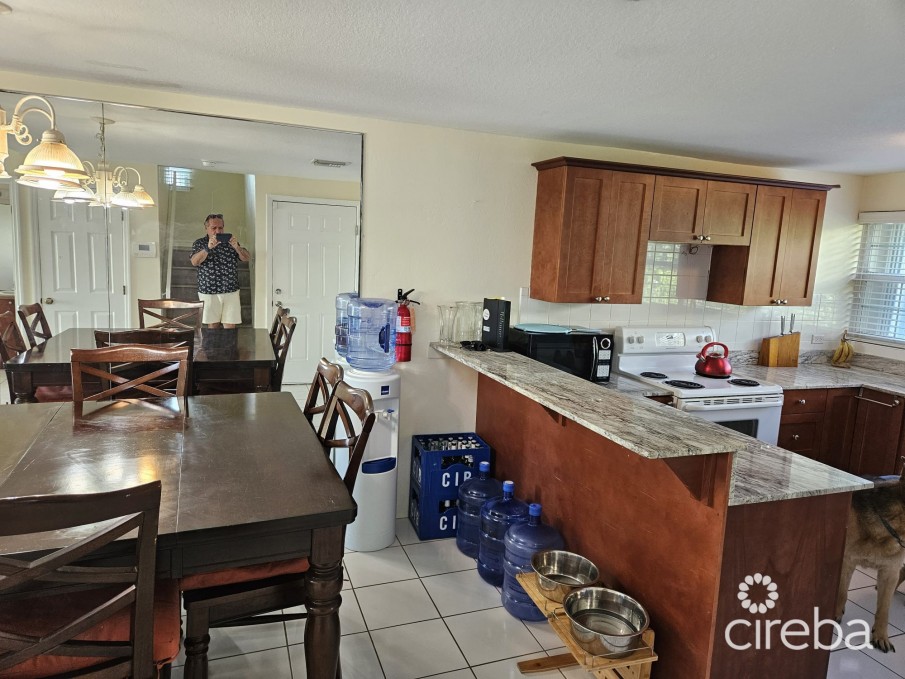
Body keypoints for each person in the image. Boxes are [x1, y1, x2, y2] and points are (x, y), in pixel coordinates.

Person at [190, 213, 252, 328]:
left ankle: (229, 341)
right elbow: (194, 262)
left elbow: (246, 258)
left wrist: (237, 247)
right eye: (214, 228)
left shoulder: (231, 243)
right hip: (209, 291)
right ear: (206, 228)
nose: (218, 231)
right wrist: (208, 248)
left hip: (231, 291)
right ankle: (214, 341)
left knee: (230, 327)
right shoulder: (199, 243)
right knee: (213, 327)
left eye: (220, 227)